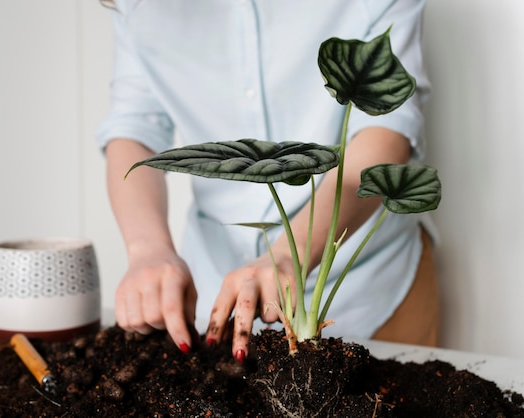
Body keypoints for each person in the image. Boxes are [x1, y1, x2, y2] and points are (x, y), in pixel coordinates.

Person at [97, 0, 440, 362]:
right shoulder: (137, 7)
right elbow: (134, 125)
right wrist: (148, 248)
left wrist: (287, 255)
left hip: (368, 287)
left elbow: (386, 131)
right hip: (218, 292)